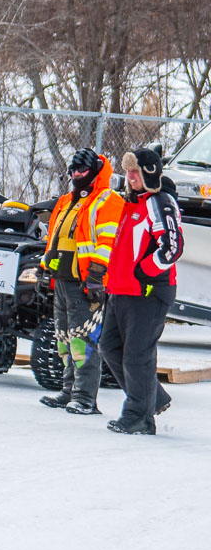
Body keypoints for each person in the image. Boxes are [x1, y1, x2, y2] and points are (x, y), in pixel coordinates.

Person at [100, 148, 182, 435]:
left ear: (149, 172)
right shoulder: (129, 203)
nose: (130, 177)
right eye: (128, 171)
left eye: (135, 171)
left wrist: (146, 269)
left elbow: (172, 246)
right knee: (108, 347)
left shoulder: (160, 201)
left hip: (147, 292)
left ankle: (139, 416)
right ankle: (152, 398)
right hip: (120, 291)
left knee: (136, 355)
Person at [37, 149, 123, 414]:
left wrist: (97, 277)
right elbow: (53, 240)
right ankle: (68, 391)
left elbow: (108, 243)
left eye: (81, 171)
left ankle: (85, 397)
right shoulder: (66, 201)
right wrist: (43, 270)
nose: (76, 175)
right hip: (62, 279)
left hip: (86, 282)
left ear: (95, 170)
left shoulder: (107, 200)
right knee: (64, 339)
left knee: (83, 340)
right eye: (72, 171)